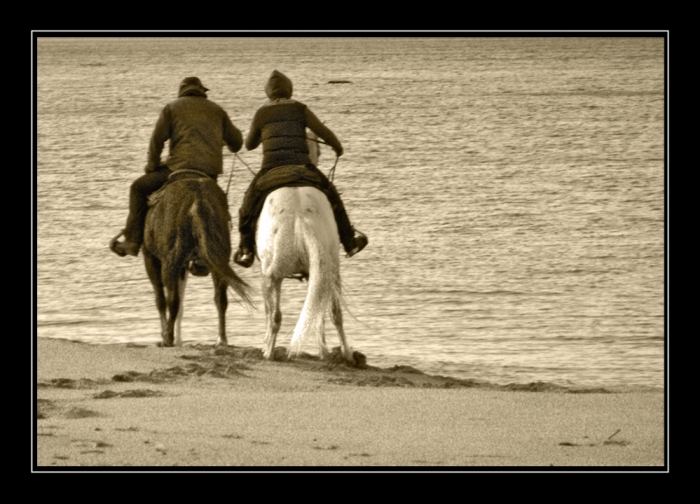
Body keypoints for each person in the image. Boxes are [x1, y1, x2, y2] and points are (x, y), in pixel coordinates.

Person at [233, 69, 367, 268]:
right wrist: (338, 147)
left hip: (271, 169)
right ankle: (349, 243)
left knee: (247, 205)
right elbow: (323, 132)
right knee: (332, 195)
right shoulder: (300, 108)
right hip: (302, 167)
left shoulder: (262, 112)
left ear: (268, 92)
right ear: (289, 89)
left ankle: (246, 250)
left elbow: (250, 145)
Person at [110, 77, 243, 261]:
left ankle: (132, 241)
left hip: (176, 170)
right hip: (208, 175)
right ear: (202, 91)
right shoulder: (217, 110)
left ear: (182, 91)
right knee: (219, 206)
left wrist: (152, 165)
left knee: (138, 188)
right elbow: (237, 143)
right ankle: (229, 247)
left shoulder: (171, 108)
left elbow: (157, 140)